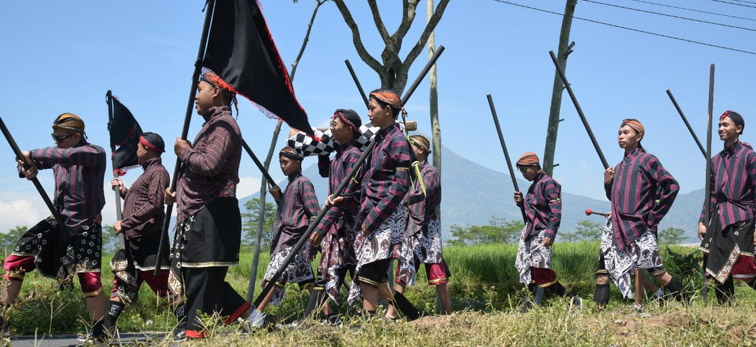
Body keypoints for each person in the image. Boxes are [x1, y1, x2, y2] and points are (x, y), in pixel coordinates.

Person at [164, 69, 256, 339]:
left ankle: (195, 335)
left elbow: (210, 165)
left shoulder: (225, 126)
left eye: (200, 88)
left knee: (202, 283)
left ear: (216, 91)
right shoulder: (210, 127)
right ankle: (259, 321)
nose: (195, 94)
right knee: (203, 284)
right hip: (200, 214)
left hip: (213, 215)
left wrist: (185, 152)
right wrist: (178, 190)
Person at [3, 113, 107, 340]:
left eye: (60, 138)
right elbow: (28, 163)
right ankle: (2, 324)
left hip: (85, 225)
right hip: (57, 220)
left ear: (77, 136)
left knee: (90, 279)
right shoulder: (58, 152)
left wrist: (29, 155)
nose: (56, 143)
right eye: (54, 138)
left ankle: (100, 336)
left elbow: (67, 155)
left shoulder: (94, 153)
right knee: (15, 261)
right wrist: (27, 168)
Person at [594, 119, 685, 310]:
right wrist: (608, 182)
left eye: (626, 132)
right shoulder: (618, 168)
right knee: (604, 269)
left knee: (658, 273)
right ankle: (598, 312)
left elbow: (671, 186)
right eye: (619, 132)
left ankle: (687, 304)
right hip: (616, 226)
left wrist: (652, 217)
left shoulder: (647, 160)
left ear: (639, 136)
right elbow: (614, 199)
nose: (621, 136)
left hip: (640, 226)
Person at [347, 89, 419, 321]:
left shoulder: (398, 141)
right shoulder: (379, 139)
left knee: (369, 272)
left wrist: (372, 219)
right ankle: (411, 314)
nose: (368, 113)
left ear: (387, 111)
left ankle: (368, 321)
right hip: (372, 213)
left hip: (385, 217)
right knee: (375, 276)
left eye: (372, 108)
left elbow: (399, 187)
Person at [106, 132, 186, 338]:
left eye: (139, 147)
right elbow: (140, 202)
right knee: (122, 284)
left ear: (147, 149)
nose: (136, 151)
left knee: (165, 286)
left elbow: (154, 205)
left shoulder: (158, 173)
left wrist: (125, 223)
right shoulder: (146, 175)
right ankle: (104, 331)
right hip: (133, 242)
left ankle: (185, 326)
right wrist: (124, 191)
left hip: (149, 241)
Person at [305, 109, 363, 324]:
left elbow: (343, 198)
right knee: (329, 272)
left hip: (349, 227)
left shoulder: (354, 156)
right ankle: (325, 319)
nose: (331, 127)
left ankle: (386, 314)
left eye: (335, 124)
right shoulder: (341, 156)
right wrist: (322, 149)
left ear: (349, 128)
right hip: (337, 226)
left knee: (361, 275)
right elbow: (324, 171)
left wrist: (321, 229)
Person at [387, 134, 451, 318]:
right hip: (410, 227)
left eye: (410, 147)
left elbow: (422, 192)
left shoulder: (430, 172)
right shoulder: (407, 172)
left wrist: (398, 199)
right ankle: (390, 315)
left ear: (420, 150)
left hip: (427, 228)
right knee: (403, 270)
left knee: (437, 273)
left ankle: (449, 316)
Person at [253, 147, 319, 322]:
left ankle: (255, 316)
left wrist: (314, 242)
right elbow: (289, 212)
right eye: (280, 163)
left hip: (295, 241)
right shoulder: (290, 185)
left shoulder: (303, 182)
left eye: (286, 162)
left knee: (274, 276)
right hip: (285, 240)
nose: (282, 166)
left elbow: (314, 214)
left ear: (297, 162)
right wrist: (278, 198)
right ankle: (327, 314)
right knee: (307, 280)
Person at [699, 110, 756, 304]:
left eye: (725, 125)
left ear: (738, 129)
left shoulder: (750, 157)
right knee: (716, 266)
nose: (721, 129)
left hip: (743, 217)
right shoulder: (715, 161)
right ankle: (727, 307)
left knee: (744, 268)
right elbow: (711, 196)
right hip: (720, 219)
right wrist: (702, 221)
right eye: (719, 125)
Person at [512, 152, 571, 307]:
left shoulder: (548, 183)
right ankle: (531, 304)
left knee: (540, 270)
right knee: (530, 270)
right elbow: (534, 211)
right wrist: (521, 203)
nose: (524, 174)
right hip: (531, 232)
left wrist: (550, 232)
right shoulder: (533, 187)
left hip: (542, 232)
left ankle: (568, 298)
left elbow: (555, 210)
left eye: (525, 170)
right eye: (522, 171)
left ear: (534, 166)